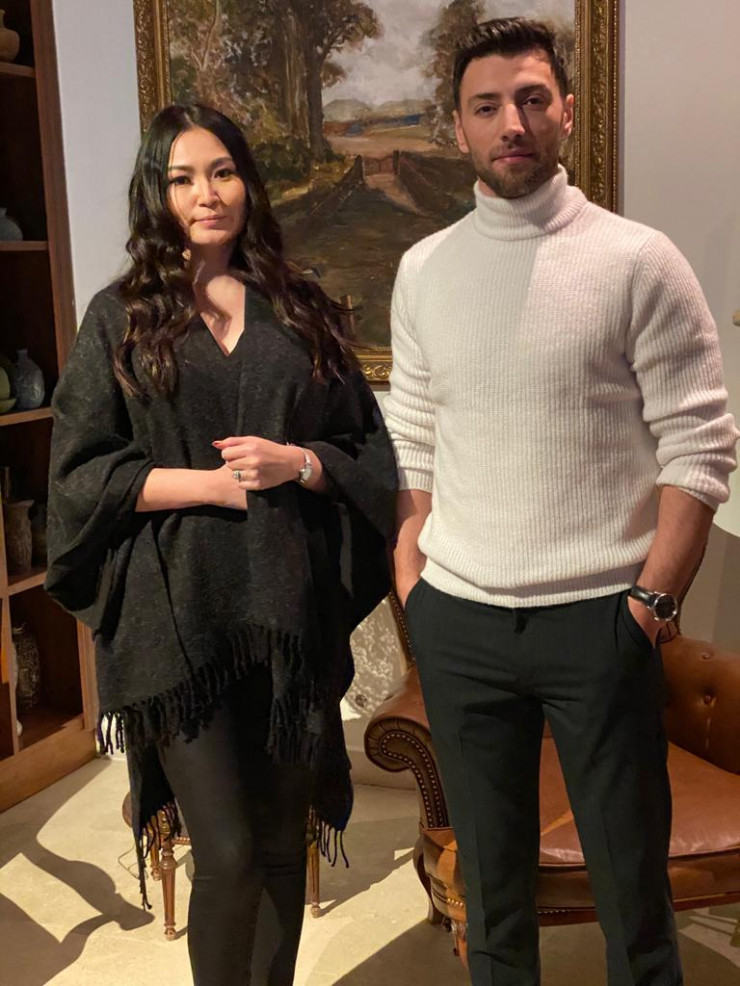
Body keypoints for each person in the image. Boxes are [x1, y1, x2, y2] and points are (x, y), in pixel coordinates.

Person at [385, 17, 738, 986]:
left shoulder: (637, 260)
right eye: (486, 105)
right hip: (459, 620)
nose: (512, 122)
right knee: (494, 900)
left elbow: (701, 446)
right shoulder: (423, 271)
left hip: (601, 621)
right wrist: (412, 572)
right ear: (457, 126)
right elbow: (412, 432)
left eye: (531, 99)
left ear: (567, 113)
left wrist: (650, 603)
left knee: (634, 900)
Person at [45, 103, 397, 986]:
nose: (207, 194)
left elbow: (365, 449)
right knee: (230, 853)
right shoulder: (120, 318)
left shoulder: (300, 308)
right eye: (182, 178)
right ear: (155, 195)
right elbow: (80, 475)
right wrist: (209, 484)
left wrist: (299, 464)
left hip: (286, 616)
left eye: (223, 172)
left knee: (280, 847)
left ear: (248, 183)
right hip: (176, 626)